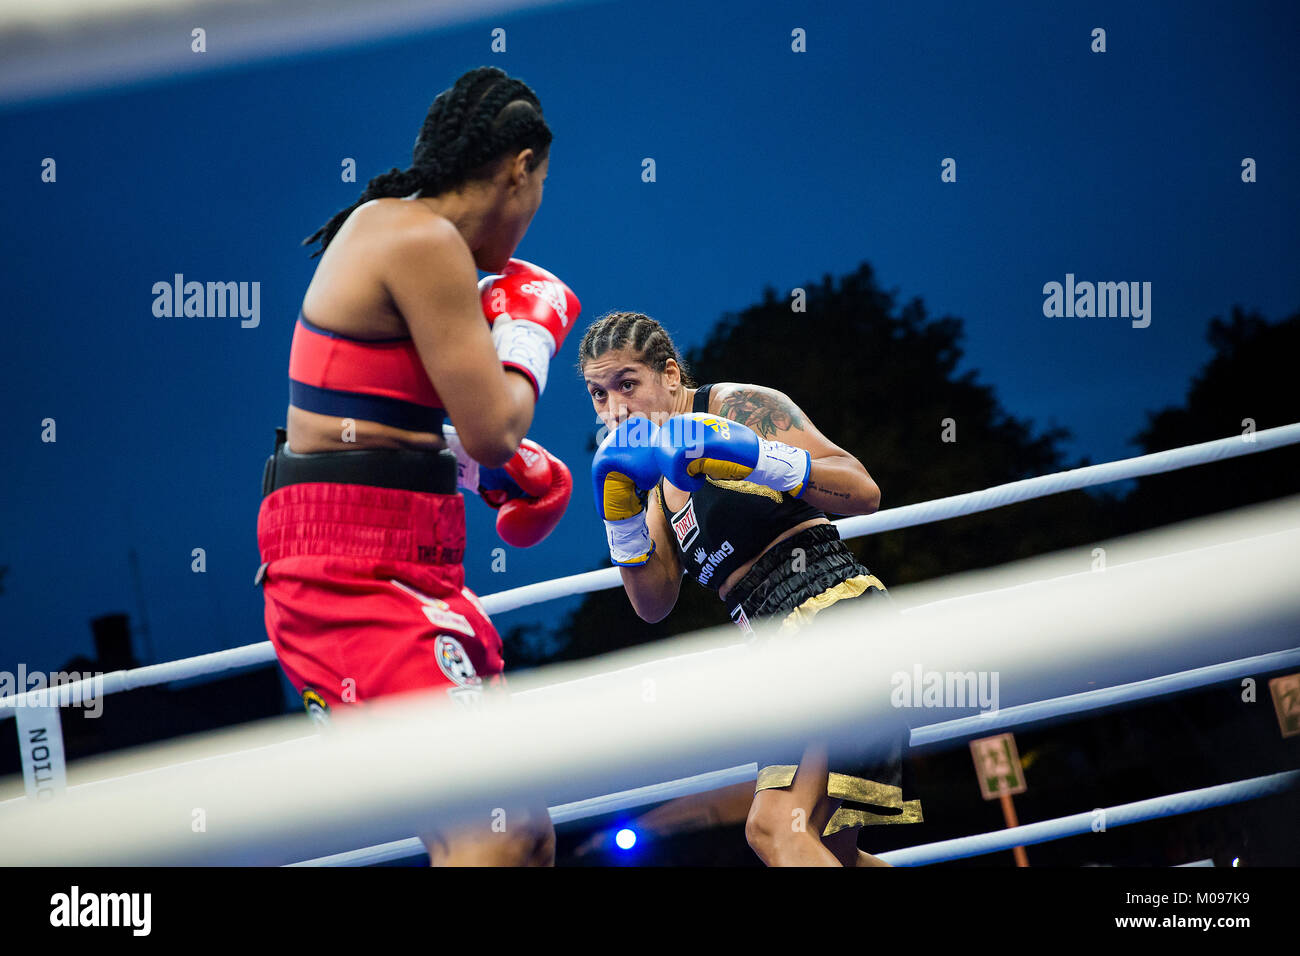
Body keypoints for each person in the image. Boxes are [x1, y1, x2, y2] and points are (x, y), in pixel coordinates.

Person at [257, 66, 579, 866]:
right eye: (541, 187)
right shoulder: (421, 239)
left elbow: (392, 423)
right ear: (520, 167)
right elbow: (495, 427)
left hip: (400, 551)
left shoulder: (400, 236)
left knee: (525, 831)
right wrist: (531, 331)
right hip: (352, 569)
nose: (536, 213)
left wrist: (473, 472)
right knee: (490, 828)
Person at [580, 311, 922, 867]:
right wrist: (619, 516)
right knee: (832, 849)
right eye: (598, 394)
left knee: (773, 828)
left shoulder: (732, 407)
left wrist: (760, 459)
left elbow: (862, 490)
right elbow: (652, 603)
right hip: (773, 645)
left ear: (669, 375)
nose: (615, 408)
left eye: (627, 384)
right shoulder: (650, 484)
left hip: (831, 606)